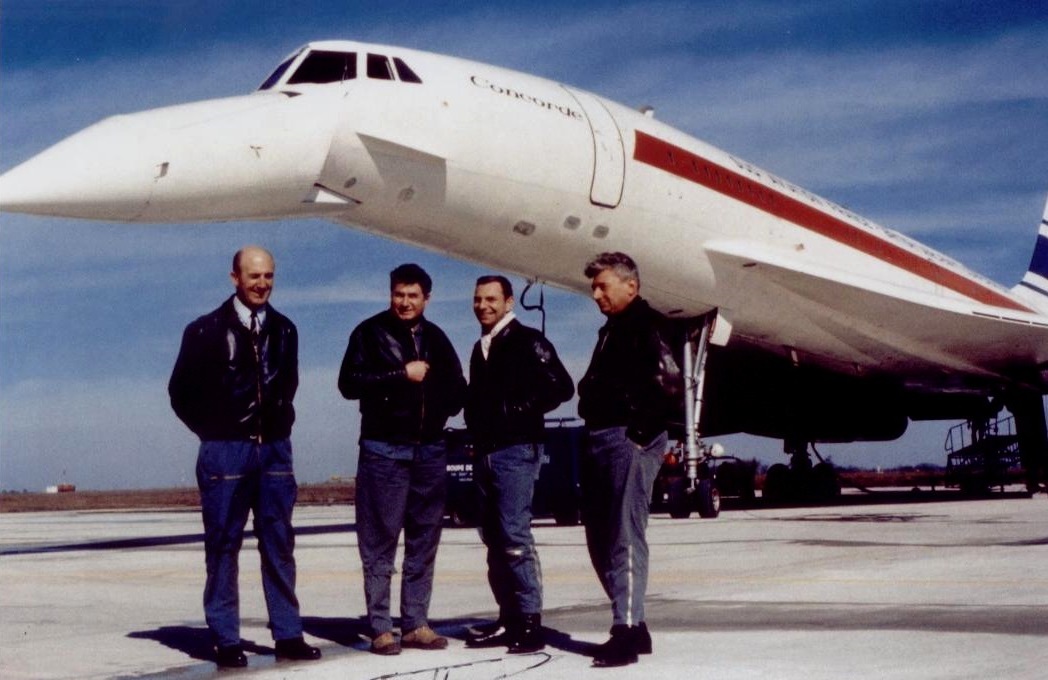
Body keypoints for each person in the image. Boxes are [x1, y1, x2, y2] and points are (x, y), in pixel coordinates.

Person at [168, 246, 321, 668]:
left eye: (269, 276)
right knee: (222, 544)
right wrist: (216, 430)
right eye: (254, 276)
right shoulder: (204, 331)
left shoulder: (286, 330)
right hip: (225, 452)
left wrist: (277, 425)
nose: (262, 284)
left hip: (274, 450)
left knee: (279, 543)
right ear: (235, 277)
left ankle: (288, 634)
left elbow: (287, 384)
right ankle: (226, 638)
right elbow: (180, 393)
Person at [338, 263, 467, 656]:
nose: (404, 302)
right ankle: (380, 627)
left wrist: (439, 410)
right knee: (379, 541)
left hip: (429, 451)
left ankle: (415, 623)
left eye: (412, 295)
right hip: (384, 451)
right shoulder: (369, 333)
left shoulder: (437, 338)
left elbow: (457, 387)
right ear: (390, 294)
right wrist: (400, 375)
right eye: (398, 294)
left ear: (426, 298)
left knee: (424, 539)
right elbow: (349, 384)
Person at [576, 252, 682, 668]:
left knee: (624, 536)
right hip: (602, 437)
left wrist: (639, 435)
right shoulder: (613, 330)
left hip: (628, 439)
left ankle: (624, 630)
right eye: (594, 287)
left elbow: (670, 384)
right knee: (601, 537)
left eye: (603, 286)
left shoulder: (647, 325)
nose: (595, 294)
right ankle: (635, 625)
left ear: (630, 287)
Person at [463, 275, 574, 653]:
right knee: (493, 537)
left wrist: (519, 410)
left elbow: (561, 386)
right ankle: (507, 618)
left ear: (509, 302)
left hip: (516, 450)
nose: (483, 306)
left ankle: (529, 621)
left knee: (514, 536)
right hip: (486, 451)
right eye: (478, 300)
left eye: (491, 299)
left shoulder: (528, 341)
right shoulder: (481, 348)